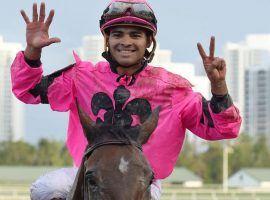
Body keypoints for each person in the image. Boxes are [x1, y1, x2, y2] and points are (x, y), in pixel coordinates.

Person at [11, 0, 242, 199]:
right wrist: (32, 52)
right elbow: (27, 89)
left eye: (135, 35)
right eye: (117, 34)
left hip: (141, 178)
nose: (126, 41)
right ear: (107, 40)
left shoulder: (173, 90)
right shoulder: (80, 78)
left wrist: (219, 87)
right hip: (90, 173)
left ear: (149, 41)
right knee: (45, 189)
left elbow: (224, 129)